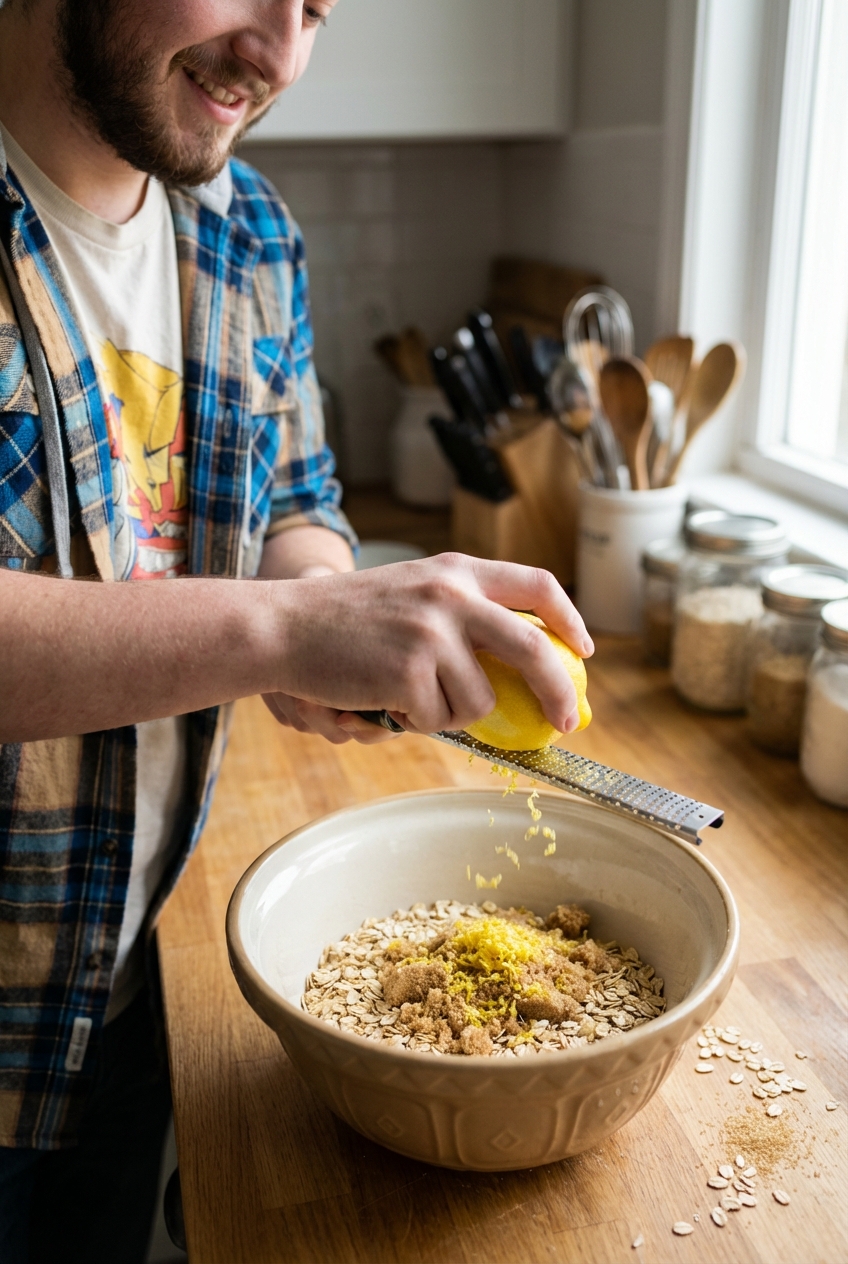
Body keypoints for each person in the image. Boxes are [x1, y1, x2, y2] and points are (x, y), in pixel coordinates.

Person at [0, 0, 593, 1259]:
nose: (277, 53)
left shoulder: (251, 231)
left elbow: (295, 503)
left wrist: (335, 617)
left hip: (125, 982)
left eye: (318, 7)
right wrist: (285, 625)